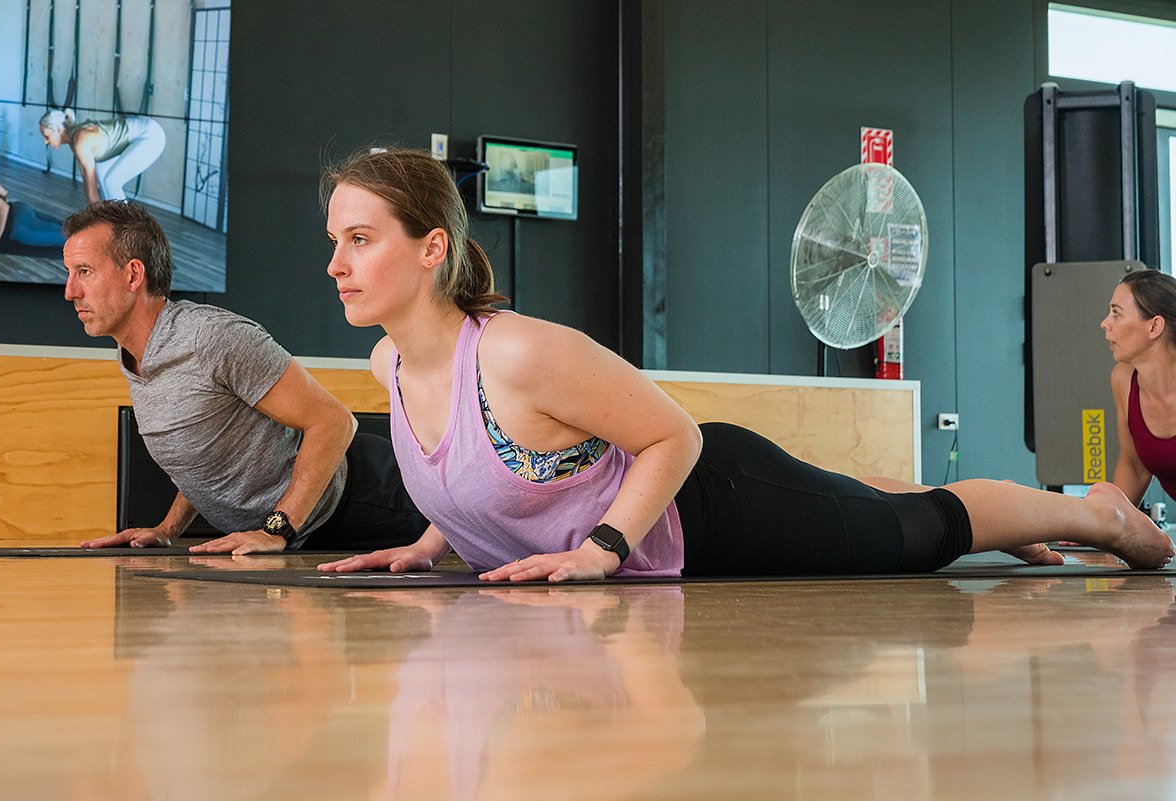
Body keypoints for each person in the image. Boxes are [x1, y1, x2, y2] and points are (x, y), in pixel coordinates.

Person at [315, 148, 1174, 582]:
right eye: (335, 242)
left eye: (361, 239)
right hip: (693, 511)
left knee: (920, 534)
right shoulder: (388, 361)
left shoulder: (512, 348)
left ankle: (1104, 520)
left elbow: (674, 436)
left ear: (434, 246)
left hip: (714, 501)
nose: (339, 264)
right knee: (878, 503)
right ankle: (1021, 517)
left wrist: (605, 550)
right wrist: (431, 542)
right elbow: (476, 472)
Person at [64, 199, 428, 553]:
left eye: (84, 272)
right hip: (305, 534)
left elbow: (333, 421)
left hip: (370, 498)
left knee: (479, 533)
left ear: (133, 275)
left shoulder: (211, 337)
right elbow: (201, 457)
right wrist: (167, 530)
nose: (70, 292)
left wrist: (277, 529)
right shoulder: (135, 356)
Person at [1103, 269, 1176, 507]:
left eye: (1116, 313)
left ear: (1155, 327)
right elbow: (1134, 466)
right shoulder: (1123, 381)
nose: (1104, 323)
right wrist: (1099, 525)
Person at [39, 109, 166, 204]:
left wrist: (94, 218)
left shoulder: (79, 140)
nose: (45, 141)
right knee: (104, 178)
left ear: (57, 129)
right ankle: (114, 227)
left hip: (150, 135)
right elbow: (87, 179)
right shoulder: (74, 142)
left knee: (111, 181)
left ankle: (128, 232)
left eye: (46, 136)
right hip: (140, 132)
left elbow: (90, 180)